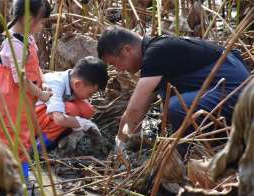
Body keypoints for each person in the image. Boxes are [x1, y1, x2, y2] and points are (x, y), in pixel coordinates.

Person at [97, 26, 250, 153]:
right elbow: (140, 108)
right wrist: (128, 139)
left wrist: (121, 146)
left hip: (237, 91)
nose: (118, 70)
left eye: (115, 63)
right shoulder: (158, 48)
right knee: (169, 102)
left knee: (175, 107)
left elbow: (135, 109)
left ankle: (187, 154)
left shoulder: (156, 54)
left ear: (126, 50)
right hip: (233, 90)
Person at [0, 0, 52, 180]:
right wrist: (41, 94)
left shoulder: (27, 38)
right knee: (13, 138)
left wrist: (43, 81)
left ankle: (19, 177)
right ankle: (15, 181)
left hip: (23, 98)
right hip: (11, 99)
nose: (42, 26)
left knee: (23, 135)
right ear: (28, 19)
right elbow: (20, 79)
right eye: (41, 21)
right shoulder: (15, 44)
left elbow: (34, 66)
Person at [34, 56, 109, 150]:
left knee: (87, 110)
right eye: (90, 93)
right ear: (77, 84)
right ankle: (40, 145)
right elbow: (59, 119)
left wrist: (80, 127)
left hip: (43, 117)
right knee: (70, 109)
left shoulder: (72, 81)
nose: (90, 97)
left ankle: (67, 135)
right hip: (27, 120)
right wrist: (85, 124)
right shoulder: (55, 83)